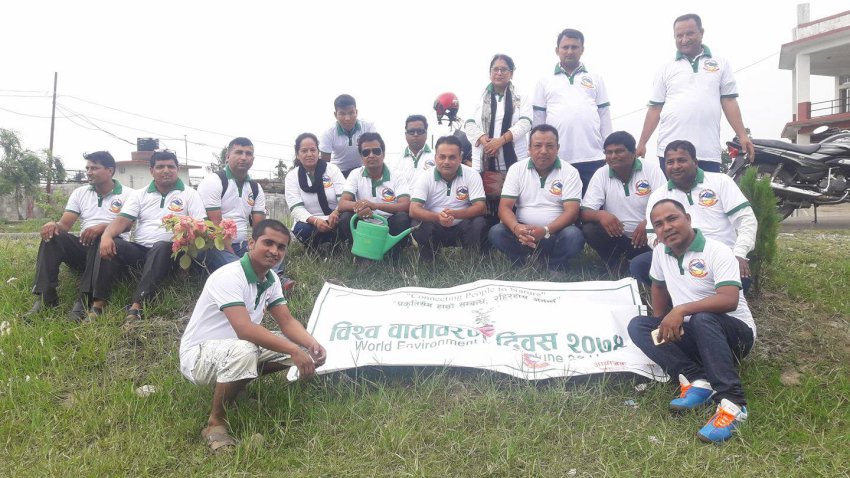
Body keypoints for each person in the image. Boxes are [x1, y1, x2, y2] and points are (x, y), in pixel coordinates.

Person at [179, 219, 326, 453]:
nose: (274, 251)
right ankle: (215, 424)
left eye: (281, 247)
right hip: (198, 357)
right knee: (248, 349)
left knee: (302, 348)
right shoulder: (229, 275)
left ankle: (236, 388)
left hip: (235, 349)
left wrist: (311, 345)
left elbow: (287, 322)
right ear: (251, 243)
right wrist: (292, 350)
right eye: (268, 243)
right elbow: (245, 329)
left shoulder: (271, 278)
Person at [628, 199, 755, 443]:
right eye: (659, 224)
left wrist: (681, 309)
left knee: (702, 318)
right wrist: (661, 321)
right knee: (639, 326)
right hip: (696, 333)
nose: (667, 227)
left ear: (687, 218)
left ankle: (733, 404)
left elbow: (729, 300)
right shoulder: (661, 252)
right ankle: (698, 381)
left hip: (735, 337)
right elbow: (658, 285)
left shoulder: (717, 250)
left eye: (672, 218)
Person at [630, 140, 757, 292]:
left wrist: (739, 254)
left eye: (681, 160)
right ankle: (680, 298)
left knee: (739, 280)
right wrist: (671, 254)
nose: (676, 166)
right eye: (670, 162)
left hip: (719, 257)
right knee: (640, 265)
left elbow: (746, 220)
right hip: (678, 256)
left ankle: (703, 299)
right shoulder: (658, 195)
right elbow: (652, 236)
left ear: (695, 162)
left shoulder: (720, 181)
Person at [635, 13, 755, 173]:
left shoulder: (721, 64)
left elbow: (729, 102)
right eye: (679, 36)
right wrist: (642, 143)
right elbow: (655, 108)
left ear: (701, 33)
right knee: (672, 191)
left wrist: (742, 135)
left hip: (708, 152)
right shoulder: (666, 69)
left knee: (708, 190)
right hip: (671, 153)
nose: (684, 40)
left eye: (689, 33)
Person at [96, 150, 206, 320]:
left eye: (171, 166)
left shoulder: (190, 194)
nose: (166, 170)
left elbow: (201, 226)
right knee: (113, 243)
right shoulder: (139, 194)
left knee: (160, 245)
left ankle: (137, 305)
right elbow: (122, 220)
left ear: (177, 169)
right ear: (151, 171)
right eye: (160, 167)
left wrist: (186, 232)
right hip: (141, 250)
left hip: (171, 253)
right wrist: (106, 236)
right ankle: (98, 301)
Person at [26, 151, 132, 320]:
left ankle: (84, 300)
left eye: (94, 168)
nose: (89, 172)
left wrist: (103, 228)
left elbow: (127, 225)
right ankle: (46, 297)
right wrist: (53, 225)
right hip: (85, 247)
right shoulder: (80, 193)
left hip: (111, 251)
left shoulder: (128, 194)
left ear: (110, 170)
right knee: (53, 236)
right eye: (87, 168)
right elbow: (64, 225)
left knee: (100, 236)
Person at [488, 124, 585, 271]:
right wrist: (516, 228)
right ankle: (523, 262)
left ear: (557, 148)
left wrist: (545, 230)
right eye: (538, 145)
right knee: (496, 232)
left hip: (555, 233)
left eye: (550, 146)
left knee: (574, 236)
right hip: (523, 234)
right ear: (529, 148)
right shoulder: (516, 169)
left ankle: (556, 265)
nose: (543, 151)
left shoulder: (570, 172)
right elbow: (504, 208)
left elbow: (572, 212)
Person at [533, 28, 612, 194]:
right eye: (565, 47)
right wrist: (536, 150)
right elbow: (538, 119)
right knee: (560, 205)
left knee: (593, 205)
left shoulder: (595, 78)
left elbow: (604, 115)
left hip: (593, 156)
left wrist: (609, 148)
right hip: (557, 158)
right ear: (557, 50)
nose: (570, 51)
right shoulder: (544, 81)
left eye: (574, 47)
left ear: (582, 50)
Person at [580, 131, 666, 272]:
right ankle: (617, 265)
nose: (613, 156)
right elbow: (584, 212)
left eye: (619, 151)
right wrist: (600, 215)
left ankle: (651, 264)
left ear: (633, 153)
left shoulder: (651, 170)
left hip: (649, 236)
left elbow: (666, 205)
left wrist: (649, 223)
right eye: (609, 152)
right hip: (618, 237)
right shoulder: (601, 173)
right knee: (590, 229)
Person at [465, 53, 532, 224]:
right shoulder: (479, 97)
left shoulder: (521, 97)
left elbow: (526, 123)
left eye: (504, 69)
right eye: (495, 69)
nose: (499, 73)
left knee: (515, 204)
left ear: (511, 73)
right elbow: (469, 124)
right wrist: (483, 139)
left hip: (513, 160)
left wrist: (500, 141)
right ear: (490, 73)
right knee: (484, 208)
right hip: (483, 161)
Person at [410, 135, 488, 262]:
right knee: (417, 224)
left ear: (460, 158)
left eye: (452, 157)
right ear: (435, 157)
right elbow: (413, 210)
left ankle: (472, 259)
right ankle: (429, 259)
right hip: (435, 226)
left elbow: (481, 207)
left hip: (462, 225)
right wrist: (438, 217)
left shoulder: (472, 174)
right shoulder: (425, 176)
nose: (446, 162)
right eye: (442, 157)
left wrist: (456, 214)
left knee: (478, 223)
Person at [197, 137, 267, 272]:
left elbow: (259, 228)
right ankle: (252, 273)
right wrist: (233, 256)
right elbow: (214, 227)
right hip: (216, 245)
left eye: (248, 153)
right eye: (239, 152)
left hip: (243, 244)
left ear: (253, 159)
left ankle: (277, 276)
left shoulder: (255, 188)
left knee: (273, 249)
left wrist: (257, 248)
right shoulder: (214, 181)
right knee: (239, 268)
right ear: (228, 156)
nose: (244, 157)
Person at [338, 132, 412, 258]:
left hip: (389, 222)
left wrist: (375, 206)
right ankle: (361, 254)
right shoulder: (355, 174)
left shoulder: (397, 175)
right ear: (361, 157)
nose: (371, 155)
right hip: (364, 220)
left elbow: (405, 205)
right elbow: (342, 203)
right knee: (346, 217)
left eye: (376, 151)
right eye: (366, 152)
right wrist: (361, 207)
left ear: (383, 153)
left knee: (402, 218)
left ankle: (392, 256)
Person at [284, 132, 345, 250]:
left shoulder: (332, 169)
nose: (309, 154)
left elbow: (344, 198)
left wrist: (336, 213)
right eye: (304, 151)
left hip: (334, 219)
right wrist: (316, 221)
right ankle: (314, 249)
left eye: (313, 150)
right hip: (310, 222)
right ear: (297, 154)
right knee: (303, 230)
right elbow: (296, 208)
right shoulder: (291, 176)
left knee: (347, 219)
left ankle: (337, 247)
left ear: (318, 152)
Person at [320, 94, 376, 178]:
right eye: (342, 114)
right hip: (339, 172)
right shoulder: (328, 133)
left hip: (362, 170)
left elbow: (376, 153)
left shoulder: (368, 126)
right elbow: (325, 164)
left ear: (356, 112)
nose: (347, 118)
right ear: (335, 115)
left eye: (351, 113)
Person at [387, 114, 435, 186]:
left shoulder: (437, 158)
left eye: (419, 131)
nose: (415, 134)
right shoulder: (395, 162)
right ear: (406, 134)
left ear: (426, 134)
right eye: (411, 131)